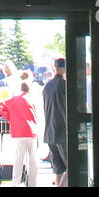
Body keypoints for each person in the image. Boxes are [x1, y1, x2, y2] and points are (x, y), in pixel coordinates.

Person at [0, 80, 39, 186]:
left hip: (19, 132)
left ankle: (16, 182)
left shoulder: (14, 100)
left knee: (18, 159)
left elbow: (2, 106)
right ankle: (32, 183)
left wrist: (9, 116)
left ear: (20, 89)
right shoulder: (32, 99)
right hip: (32, 131)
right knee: (33, 160)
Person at [41, 57, 68, 186]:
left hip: (50, 132)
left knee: (58, 168)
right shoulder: (63, 85)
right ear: (64, 69)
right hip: (62, 130)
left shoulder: (47, 86)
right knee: (71, 165)